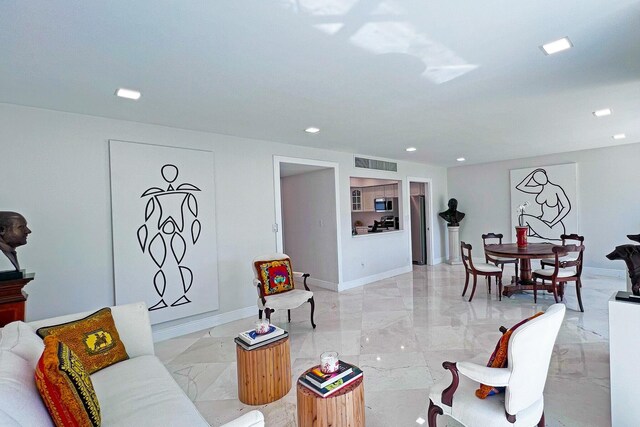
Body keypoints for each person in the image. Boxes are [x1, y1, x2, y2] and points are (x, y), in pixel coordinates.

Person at [515, 169, 570, 241]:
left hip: (553, 227)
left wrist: (552, 223)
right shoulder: (540, 189)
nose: (540, 179)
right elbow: (520, 187)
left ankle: (522, 240)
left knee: (523, 217)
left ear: (546, 175)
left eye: (541, 176)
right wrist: (532, 174)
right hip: (543, 224)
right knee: (523, 222)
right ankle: (523, 242)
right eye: (536, 178)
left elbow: (566, 207)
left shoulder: (556, 189)